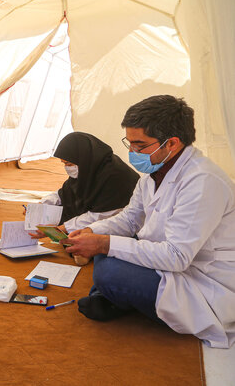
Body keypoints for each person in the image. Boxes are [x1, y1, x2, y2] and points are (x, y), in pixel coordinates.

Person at [62, 95, 235, 348]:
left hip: (202, 280)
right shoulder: (152, 174)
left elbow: (176, 257)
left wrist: (103, 244)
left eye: (140, 146)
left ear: (172, 143)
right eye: (129, 143)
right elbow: (130, 219)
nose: (132, 152)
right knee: (105, 250)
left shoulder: (203, 181)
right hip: (166, 261)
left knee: (108, 272)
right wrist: (90, 232)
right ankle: (113, 297)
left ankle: (112, 296)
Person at [29, 132, 139, 264]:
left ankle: (86, 250)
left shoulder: (116, 176)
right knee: (59, 210)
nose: (67, 168)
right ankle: (77, 244)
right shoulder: (89, 167)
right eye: (64, 163)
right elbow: (64, 193)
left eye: (69, 164)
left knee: (91, 233)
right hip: (92, 210)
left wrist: (60, 229)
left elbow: (102, 216)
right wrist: (41, 205)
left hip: (114, 217)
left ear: (83, 157)